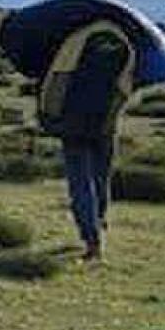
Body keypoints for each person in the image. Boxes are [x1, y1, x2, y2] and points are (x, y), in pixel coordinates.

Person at [37, 20, 135, 261]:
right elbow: (124, 89)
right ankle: (99, 221)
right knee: (101, 177)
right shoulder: (126, 44)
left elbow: (57, 80)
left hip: (73, 123)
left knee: (80, 182)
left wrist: (47, 115)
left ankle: (91, 239)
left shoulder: (76, 40)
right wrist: (111, 119)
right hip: (104, 124)